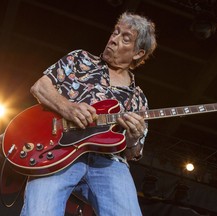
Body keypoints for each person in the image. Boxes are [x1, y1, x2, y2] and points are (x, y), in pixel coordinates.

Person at [19, 12, 157, 216]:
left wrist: (134, 136)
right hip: (59, 149)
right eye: (115, 32)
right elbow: (40, 88)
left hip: (109, 162)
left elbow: (133, 152)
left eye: (125, 38)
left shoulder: (138, 99)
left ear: (138, 53)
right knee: (40, 211)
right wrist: (68, 107)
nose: (114, 39)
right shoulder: (80, 59)